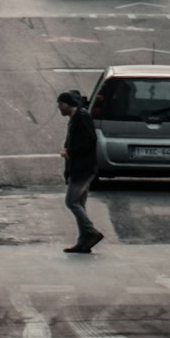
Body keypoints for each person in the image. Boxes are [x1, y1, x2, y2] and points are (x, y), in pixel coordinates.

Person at [57, 90, 103, 254]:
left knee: (72, 202)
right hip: (81, 167)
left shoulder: (81, 117)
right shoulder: (76, 117)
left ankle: (90, 232)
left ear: (68, 104)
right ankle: (83, 241)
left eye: (60, 105)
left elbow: (90, 141)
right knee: (80, 204)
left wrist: (70, 152)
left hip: (82, 168)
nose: (59, 108)